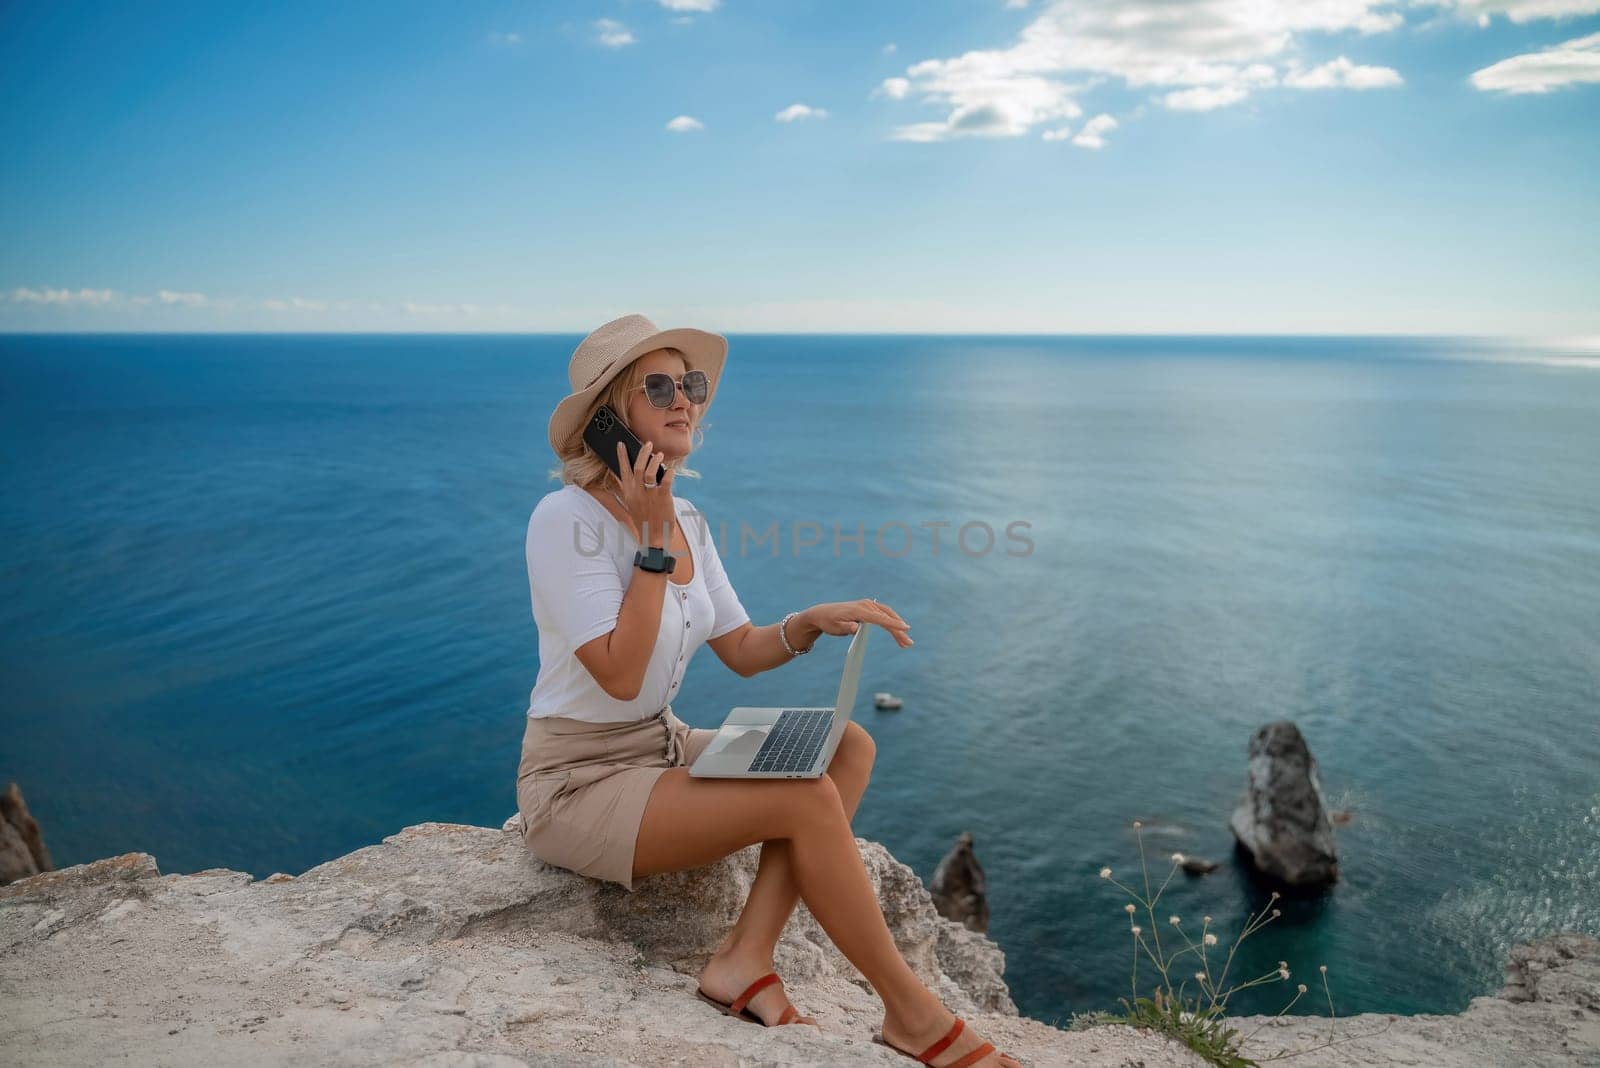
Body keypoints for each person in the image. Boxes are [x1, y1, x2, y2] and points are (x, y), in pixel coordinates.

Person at [518, 313, 1021, 1067]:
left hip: (660, 744)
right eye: (658, 387)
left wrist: (808, 623)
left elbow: (743, 652)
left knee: (845, 747)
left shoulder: (687, 517)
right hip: (578, 780)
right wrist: (651, 545)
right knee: (800, 794)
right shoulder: (566, 520)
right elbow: (618, 673)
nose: (685, 399)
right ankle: (913, 1015)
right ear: (608, 422)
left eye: (690, 384)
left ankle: (744, 959)